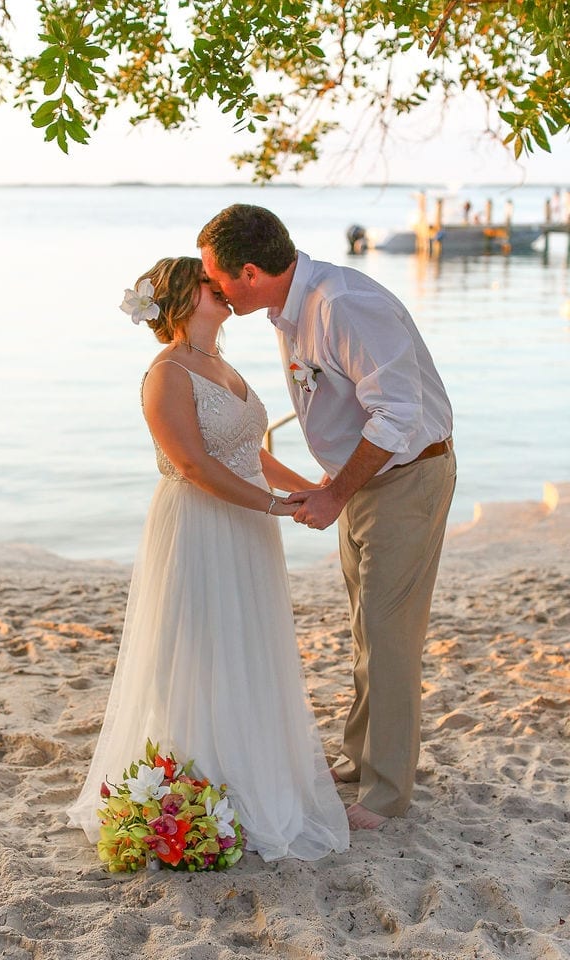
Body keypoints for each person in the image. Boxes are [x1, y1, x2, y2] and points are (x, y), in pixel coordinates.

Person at [66, 256, 349, 862]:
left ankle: (251, 776)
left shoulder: (219, 363)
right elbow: (195, 466)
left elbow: (250, 449)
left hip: (247, 525)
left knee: (247, 645)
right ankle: (195, 786)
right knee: (200, 649)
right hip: (198, 524)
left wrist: (320, 493)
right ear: (178, 298)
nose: (220, 288)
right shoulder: (166, 373)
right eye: (206, 282)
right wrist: (276, 508)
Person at [197, 206, 456, 831]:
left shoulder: (341, 305)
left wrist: (334, 493)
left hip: (404, 479)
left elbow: (396, 413)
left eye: (217, 278)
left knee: (390, 638)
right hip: (362, 482)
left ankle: (388, 792)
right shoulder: (292, 309)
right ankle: (365, 757)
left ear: (250, 272)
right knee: (367, 630)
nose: (215, 291)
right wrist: (333, 487)